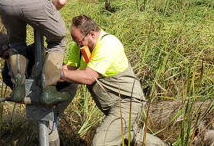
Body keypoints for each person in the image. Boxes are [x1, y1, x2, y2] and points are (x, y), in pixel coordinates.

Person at [60, 15, 168, 146]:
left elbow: (88, 77)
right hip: (113, 104)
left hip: (128, 103)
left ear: (92, 34)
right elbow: (70, 68)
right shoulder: (80, 47)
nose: (77, 44)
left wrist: (59, 74)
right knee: (130, 135)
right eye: (75, 41)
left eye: (79, 41)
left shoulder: (109, 44)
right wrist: (51, 71)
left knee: (101, 142)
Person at [0, 0, 70, 105]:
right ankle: (49, 90)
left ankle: (18, 88)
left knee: (16, 43)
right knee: (58, 38)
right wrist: (45, 12)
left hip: (4, 0)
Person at [0, 31, 77, 146]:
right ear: (3, 58)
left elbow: (56, 68)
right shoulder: (7, 74)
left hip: (62, 88)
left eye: (12, 53)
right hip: (38, 94)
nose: (11, 58)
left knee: (47, 120)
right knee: (39, 123)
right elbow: (21, 95)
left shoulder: (34, 51)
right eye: (7, 56)